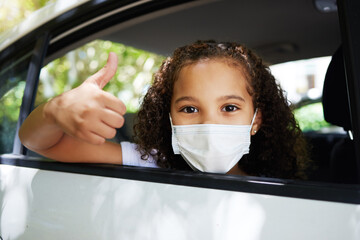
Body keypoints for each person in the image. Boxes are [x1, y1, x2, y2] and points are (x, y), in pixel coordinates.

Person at [19, 40, 310, 179]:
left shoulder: (284, 187)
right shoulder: (152, 162)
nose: (207, 124)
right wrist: (54, 111)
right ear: (168, 116)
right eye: (190, 109)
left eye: (230, 107)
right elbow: (38, 142)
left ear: (256, 119)